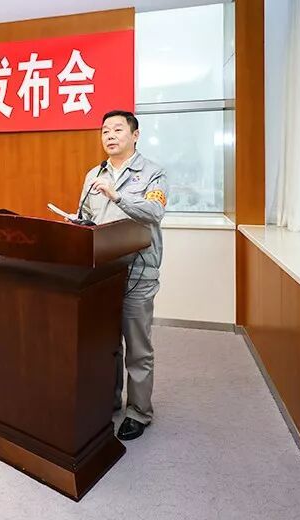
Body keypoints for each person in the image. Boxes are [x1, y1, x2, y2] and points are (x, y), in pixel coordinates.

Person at [77, 109, 168, 441]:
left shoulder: (153, 173)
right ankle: (110, 401)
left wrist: (117, 194)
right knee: (106, 343)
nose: (110, 136)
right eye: (105, 131)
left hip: (138, 272)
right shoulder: (94, 174)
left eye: (117, 129)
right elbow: (86, 216)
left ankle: (139, 411)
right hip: (102, 271)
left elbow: (154, 211)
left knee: (137, 346)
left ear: (135, 135)